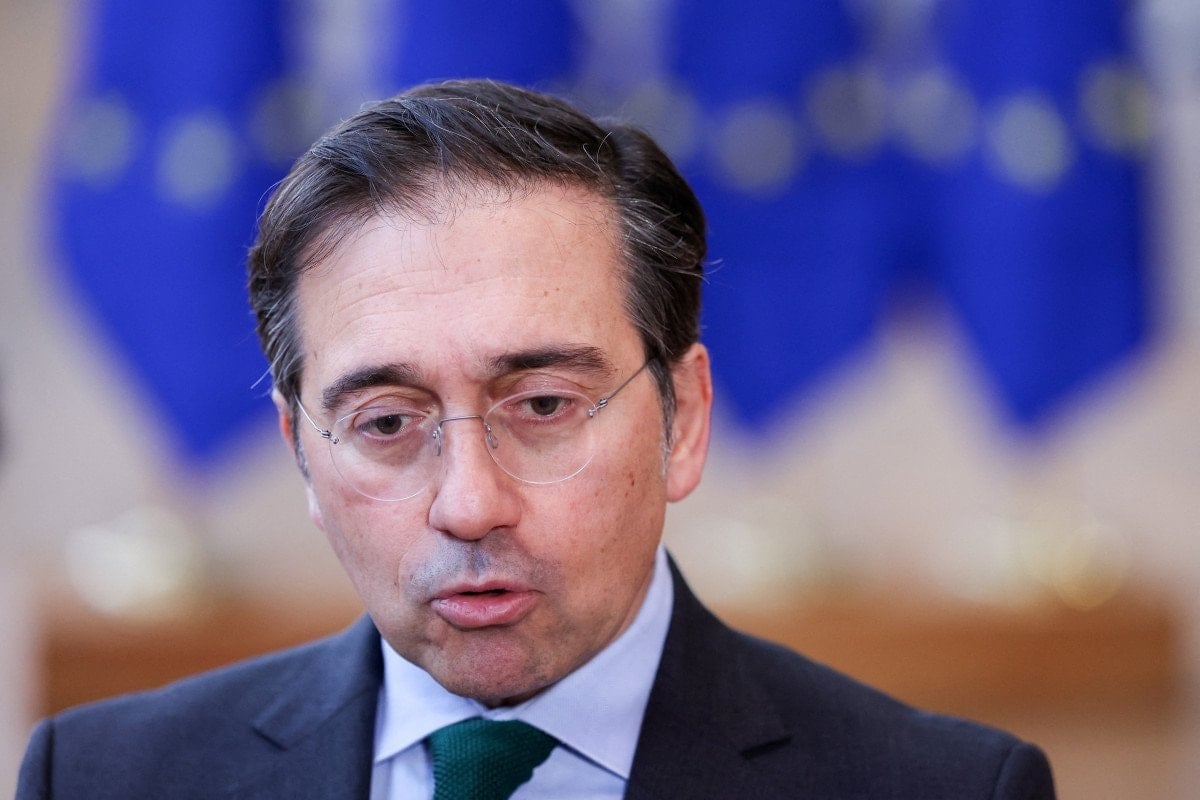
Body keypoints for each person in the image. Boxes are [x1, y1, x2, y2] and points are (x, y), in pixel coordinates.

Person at [17, 78, 1055, 799]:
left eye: (545, 405)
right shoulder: (104, 778)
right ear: (302, 452)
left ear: (684, 418)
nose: (469, 504)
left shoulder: (946, 788)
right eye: (388, 423)